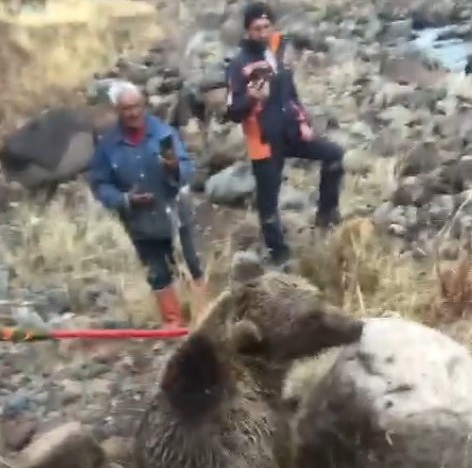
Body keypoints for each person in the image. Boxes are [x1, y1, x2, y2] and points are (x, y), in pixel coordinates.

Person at [226, 1, 345, 268]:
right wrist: (251, 98)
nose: (264, 33)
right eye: (257, 29)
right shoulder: (239, 63)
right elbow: (232, 110)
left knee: (334, 156)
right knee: (268, 206)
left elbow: (290, 93)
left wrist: (302, 121)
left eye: (267, 27)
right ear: (247, 31)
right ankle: (279, 256)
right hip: (264, 141)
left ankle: (326, 215)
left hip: (292, 131)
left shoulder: (279, 48)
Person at [88, 81, 206, 328]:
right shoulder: (107, 147)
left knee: (190, 266)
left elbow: (187, 169)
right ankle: (172, 324)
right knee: (157, 274)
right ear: (117, 111)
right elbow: (100, 185)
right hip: (139, 222)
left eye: (136, 106)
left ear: (144, 105)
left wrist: (174, 169)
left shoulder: (164, 134)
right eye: (126, 108)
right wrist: (124, 200)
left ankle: (202, 318)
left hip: (173, 214)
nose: (132, 113)